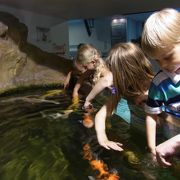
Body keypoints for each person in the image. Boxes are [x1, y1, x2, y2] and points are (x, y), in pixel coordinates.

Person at [95, 42, 154, 151]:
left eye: (115, 73)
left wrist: (150, 100)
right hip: (137, 132)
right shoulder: (122, 89)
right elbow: (100, 115)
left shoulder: (156, 85)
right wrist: (103, 138)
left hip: (157, 137)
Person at [141, 8, 180, 160]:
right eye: (157, 60)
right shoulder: (159, 83)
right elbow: (151, 115)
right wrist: (152, 149)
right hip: (170, 140)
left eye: (168, 56)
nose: (163, 65)